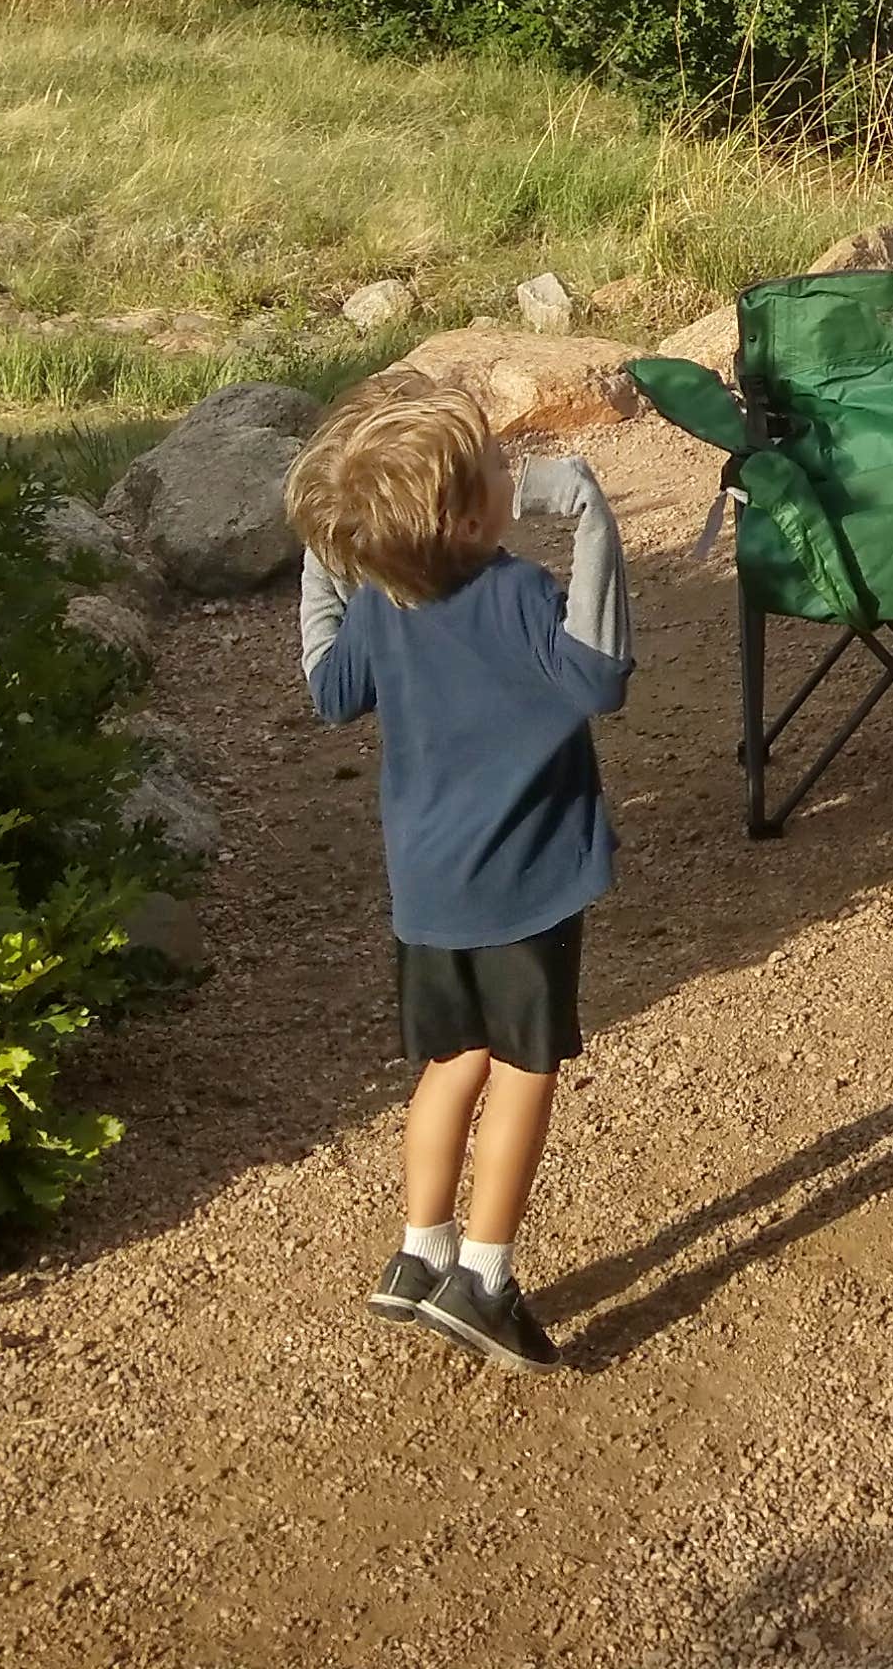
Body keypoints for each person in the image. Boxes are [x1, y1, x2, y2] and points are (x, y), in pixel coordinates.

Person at [293, 375, 634, 1375]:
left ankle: (418, 1250)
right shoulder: (521, 596)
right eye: (496, 463)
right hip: (525, 889)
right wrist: (590, 517)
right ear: (471, 511)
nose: (509, 469)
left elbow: (327, 690)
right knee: (527, 1068)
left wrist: (326, 561)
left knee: (452, 1063)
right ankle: (484, 1280)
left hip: (428, 892)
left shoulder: (384, 604)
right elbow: (601, 673)